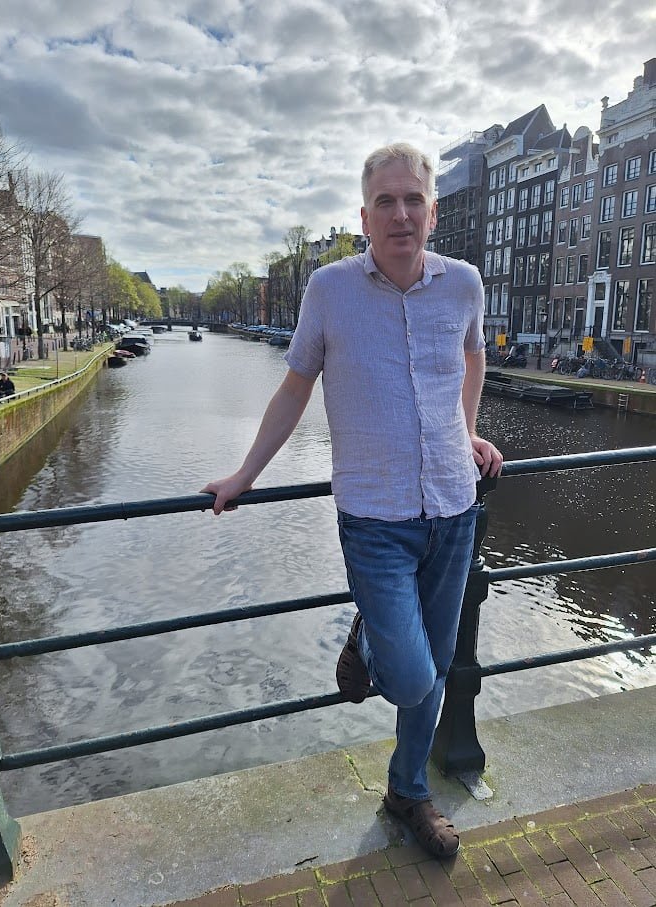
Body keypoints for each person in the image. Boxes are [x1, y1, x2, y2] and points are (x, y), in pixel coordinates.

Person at [203, 143, 503, 859]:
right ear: (364, 215)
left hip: (454, 512)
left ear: (432, 212)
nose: (400, 214)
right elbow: (295, 385)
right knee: (411, 674)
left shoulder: (464, 283)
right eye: (385, 202)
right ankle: (368, 636)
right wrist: (245, 474)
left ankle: (409, 790)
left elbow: (472, 356)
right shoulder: (329, 290)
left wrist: (466, 433)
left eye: (413, 201)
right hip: (374, 519)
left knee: (430, 674)